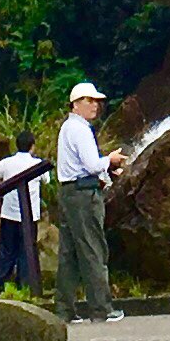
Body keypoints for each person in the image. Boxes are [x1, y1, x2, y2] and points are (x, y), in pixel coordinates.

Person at [53, 80, 121, 322]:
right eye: (89, 101)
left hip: (68, 193)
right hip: (83, 195)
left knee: (68, 254)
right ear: (76, 104)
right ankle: (101, 309)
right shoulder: (81, 129)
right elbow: (92, 165)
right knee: (93, 249)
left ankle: (64, 310)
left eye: (96, 101)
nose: (95, 106)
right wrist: (110, 161)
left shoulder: (67, 128)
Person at [0, 131, 47, 295]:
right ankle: (25, 286)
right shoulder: (38, 164)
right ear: (32, 146)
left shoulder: (7, 163)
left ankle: (2, 285)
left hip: (9, 214)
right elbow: (46, 179)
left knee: (7, 251)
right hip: (30, 216)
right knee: (27, 250)